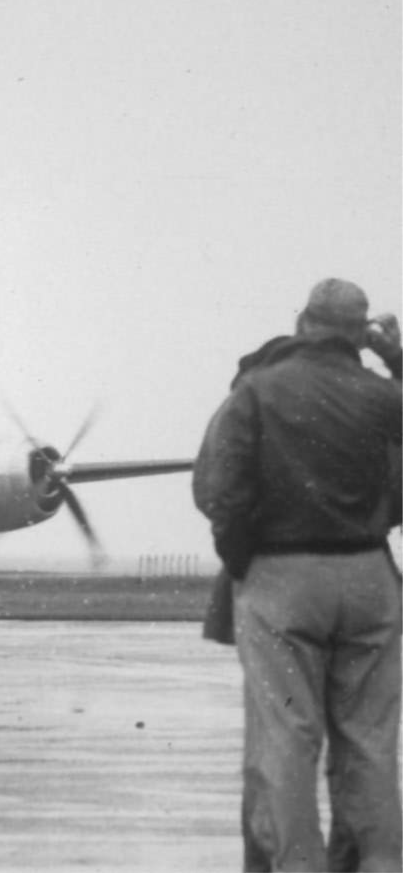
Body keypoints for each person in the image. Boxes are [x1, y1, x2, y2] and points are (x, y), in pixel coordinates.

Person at [194, 278, 403, 871]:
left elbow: (218, 489)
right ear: (359, 334)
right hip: (369, 577)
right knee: (370, 741)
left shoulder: (256, 391)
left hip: (282, 579)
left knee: (286, 736)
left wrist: (244, 561)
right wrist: (396, 359)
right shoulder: (380, 395)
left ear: (303, 322)